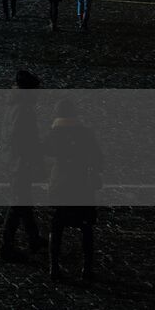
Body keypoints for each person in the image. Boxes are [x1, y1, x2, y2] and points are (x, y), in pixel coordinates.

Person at [45, 98, 103, 281]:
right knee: (86, 227)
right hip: (81, 186)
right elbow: (99, 159)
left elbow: (44, 155)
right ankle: (87, 268)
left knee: (57, 226)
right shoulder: (85, 133)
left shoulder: (53, 134)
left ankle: (53, 267)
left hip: (60, 186)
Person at [0, 70, 46, 262]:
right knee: (18, 203)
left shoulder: (17, 106)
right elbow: (22, 138)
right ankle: (6, 246)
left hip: (15, 159)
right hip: (20, 162)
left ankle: (33, 238)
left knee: (24, 200)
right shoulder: (23, 109)